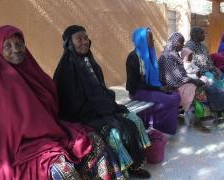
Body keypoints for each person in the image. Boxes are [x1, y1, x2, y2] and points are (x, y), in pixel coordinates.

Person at [0, 25, 122, 180]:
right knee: (62, 170)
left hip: (50, 133)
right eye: (7, 46)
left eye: (19, 44)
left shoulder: (33, 72)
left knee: (94, 142)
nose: (16, 50)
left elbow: (51, 107)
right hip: (17, 149)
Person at [53, 25, 151, 179]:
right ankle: (121, 172)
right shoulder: (65, 71)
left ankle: (133, 166)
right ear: (69, 43)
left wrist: (111, 107)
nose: (85, 42)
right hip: (83, 117)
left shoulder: (90, 62)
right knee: (115, 134)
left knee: (133, 120)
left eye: (86, 38)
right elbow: (71, 105)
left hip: (103, 109)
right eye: (79, 39)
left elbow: (102, 90)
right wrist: (103, 111)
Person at [126, 27, 181, 135]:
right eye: (150, 39)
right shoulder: (133, 57)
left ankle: (153, 121)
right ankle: (156, 122)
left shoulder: (149, 55)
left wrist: (164, 87)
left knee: (175, 96)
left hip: (150, 89)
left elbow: (155, 78)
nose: (153, 41)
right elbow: (137, 84)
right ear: (141, 40)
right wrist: (159, 89)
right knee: (172, 100)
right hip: (138, 91)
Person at [158, 32, 212, 133]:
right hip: (172, 86)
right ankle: (196, 120)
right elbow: (174, 79)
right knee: (198, 88)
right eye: (181, 43)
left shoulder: (173, 54)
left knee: (202, 83)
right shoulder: (169, 56)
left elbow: (180, 76)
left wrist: (193, 79)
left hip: (178, 82)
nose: (183, 45)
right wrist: (193, 80)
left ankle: (201, 114)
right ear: (175, 42)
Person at [181, 47, 224, 128]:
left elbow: (197, 73)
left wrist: (199, 76)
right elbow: (189, 77)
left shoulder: (190, 64)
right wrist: (198, 78)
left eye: (192, 55)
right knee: (220, 99)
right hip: (199, 86)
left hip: (202, 84)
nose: (192, 57)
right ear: (185, 56)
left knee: (220, 98)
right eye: (190, 55)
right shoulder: (184, 66)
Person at [185, 27, 224, 96]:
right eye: (202, 33)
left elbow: (208, 59)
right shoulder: (189, 46)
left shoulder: (203, 46)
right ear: (195, 34)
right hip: (198, 72)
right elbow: (191, 63)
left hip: (208, 68)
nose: (204, 35)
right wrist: (207, 69)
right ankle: (218, 97)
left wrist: (213, 68)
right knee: (211, 78)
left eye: (204, 33)